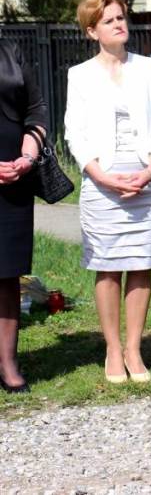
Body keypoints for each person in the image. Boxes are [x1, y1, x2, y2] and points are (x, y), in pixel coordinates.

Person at [64, 0, 151, 384]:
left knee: (141, 263)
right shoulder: (80, 75)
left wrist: (150, 170)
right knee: (107, 266)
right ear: (92, 31)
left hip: (147, 179)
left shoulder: (148, 68)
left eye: (121, 18)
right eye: (109, 20)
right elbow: (74, 133)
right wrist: (102, 176)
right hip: (103, 182)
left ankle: (134, 348)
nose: (119, 24)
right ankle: (113, 348)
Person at [0, 40, 46, 394]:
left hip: (13, 177)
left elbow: (36, 110)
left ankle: (8, 362)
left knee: (7, 273)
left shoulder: (10, 50)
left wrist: (28, 156)